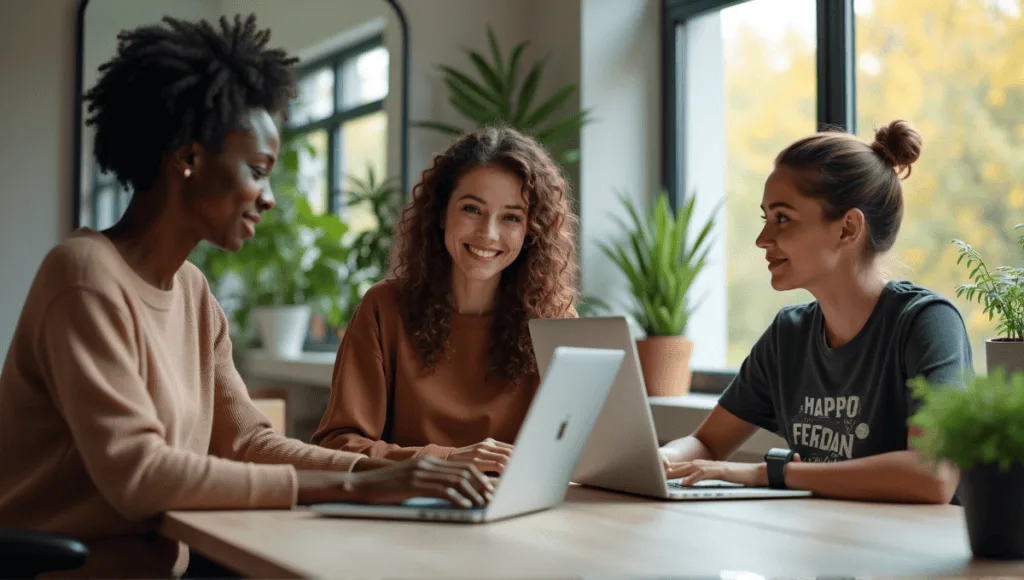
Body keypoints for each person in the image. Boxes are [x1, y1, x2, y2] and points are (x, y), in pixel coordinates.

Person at [0, 14, 490, 578]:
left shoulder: (192, 291)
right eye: (257, 171)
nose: (270, 198)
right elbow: (139, 477)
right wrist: (360, 486)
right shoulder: (83, 277)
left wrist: (377, 474)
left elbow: (248, 443)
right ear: (188, 158)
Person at [658, 120, 972, 504]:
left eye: (782, 218)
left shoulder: (927, 323)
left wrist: (766, 473)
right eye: (765, 218)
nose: (762, 239)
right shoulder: (788, 335)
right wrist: (661, 460)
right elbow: (706, 443)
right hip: (827, 546)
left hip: (915, 557)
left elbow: (933, 474)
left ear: (847, 229)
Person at [312, 126, 579, 474]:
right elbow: (337, 447)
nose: (489, 233)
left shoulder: (555, 320)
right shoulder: (384, 308)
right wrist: (446, 459)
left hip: (517, 517)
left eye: (511, 217)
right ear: (441, 213)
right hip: (407, 514)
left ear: (531, 230)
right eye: (472, 209)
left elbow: (575, 454)